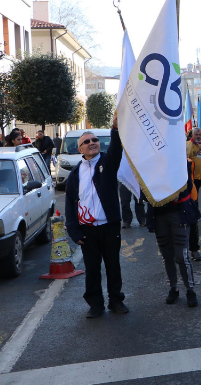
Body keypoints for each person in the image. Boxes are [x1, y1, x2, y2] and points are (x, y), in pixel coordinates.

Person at [64, 118, 129, 318]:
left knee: (113, 266)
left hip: (109, 227)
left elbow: (117, 150)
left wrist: (115, 129)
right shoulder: (75, 175)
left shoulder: (107, 164)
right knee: (92, 269)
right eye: (87, 141)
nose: (92, 142)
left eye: (95, 140)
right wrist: (74, 231)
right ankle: (95, 305)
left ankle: (116, 301)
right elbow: (70, 205)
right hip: (88, 230)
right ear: (79, 149)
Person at [145, 160, 199, 307]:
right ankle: (173, 288)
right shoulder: (147, 163)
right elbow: (143, 192)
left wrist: (175, 193)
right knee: (167, 255)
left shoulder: (179, 159)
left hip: (179, 213)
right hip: (159, 216)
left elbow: (187, 184)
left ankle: (190, 290)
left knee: (181, 256)